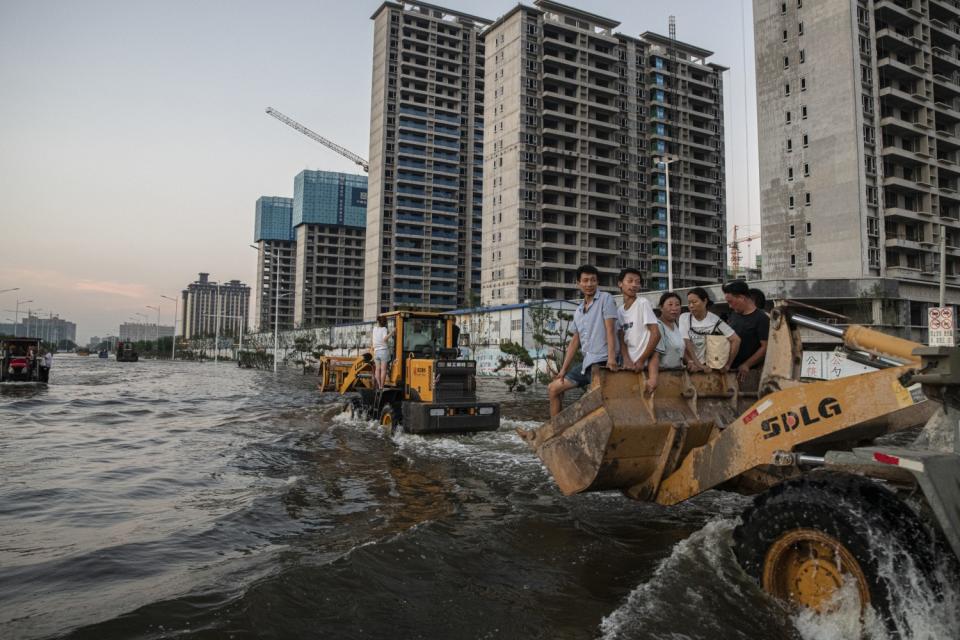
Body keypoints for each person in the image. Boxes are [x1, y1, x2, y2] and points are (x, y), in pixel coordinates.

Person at [549, 265, 618, 417]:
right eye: (585, 280)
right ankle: (554, 431)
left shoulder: (605, 299)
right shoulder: (579, 310)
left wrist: (612, 359)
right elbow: (574, 342)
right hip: (587, 364)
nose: (589, 284)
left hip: (603, 362)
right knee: (554, 388)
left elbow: (610, 330)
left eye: (593, 280)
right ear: (578, 283)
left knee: (593, 403)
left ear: (597, 282)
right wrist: (563, 370)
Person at [616, 267, 659, 394]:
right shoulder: (619, 311)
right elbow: (621, 338)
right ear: (620, 284)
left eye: (637, 282)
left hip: (644, 365)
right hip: (629, 366)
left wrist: (641, 359)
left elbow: (656, 334)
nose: (634, 285)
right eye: (630, 281)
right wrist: (626, 359)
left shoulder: (642, 303)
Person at [681, 287, 740, 372]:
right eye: (689, 303)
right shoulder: (684, 317)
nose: (691, 306)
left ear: (705, 301)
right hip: (690, 367)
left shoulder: (714, 320)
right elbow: (686, 342)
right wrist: (697, 364)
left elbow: (736, 340)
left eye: (694, 302)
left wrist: (727, 365)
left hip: (708, 369)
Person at [723, 280, 771, 382]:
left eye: (730, 302)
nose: (730, 306)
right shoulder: (734, 315)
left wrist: (747, 364)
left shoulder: (761, 318)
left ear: (741, 298)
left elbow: (765, 347)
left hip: (748, 373)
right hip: (730, 370)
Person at [655, 291, 685, 370]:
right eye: (670, 304)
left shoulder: (678, 325)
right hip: (662, 374)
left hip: (677, 373)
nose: (674, 308)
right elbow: (655, 355)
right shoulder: (657, 326)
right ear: (661, 307)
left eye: (677, 305)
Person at [371, 317, 393, 389]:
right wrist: (392, 332)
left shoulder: (374, 329)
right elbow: (384, 339)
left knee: (377, 369)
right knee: (383, 370)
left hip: (376, 352)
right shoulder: (384, 329)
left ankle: (379, 384)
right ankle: (381, 386)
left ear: (378, 322)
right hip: (383, 351)